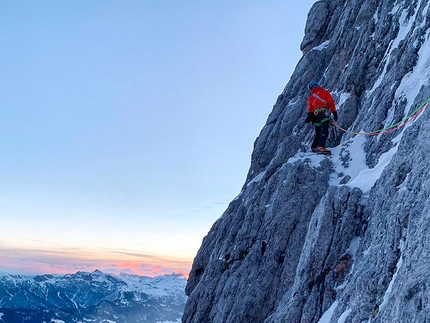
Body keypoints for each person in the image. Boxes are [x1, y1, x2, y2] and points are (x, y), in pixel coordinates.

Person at [305, 81, 338, 155]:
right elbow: (331, 102)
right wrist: (334, 113)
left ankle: (314, 146)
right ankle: (321, 147)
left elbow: (310, 110)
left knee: (318, 132)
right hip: (324, 114)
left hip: (315, 116)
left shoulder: (311, 98)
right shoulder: (325, 92)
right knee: (324, 131)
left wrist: (309, 118)